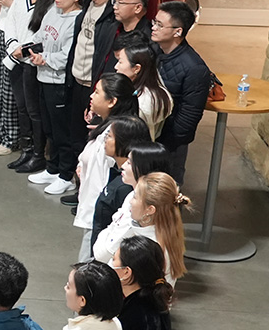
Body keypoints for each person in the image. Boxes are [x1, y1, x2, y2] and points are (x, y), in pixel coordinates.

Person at [25, 0, 86, 196]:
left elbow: (66, 56)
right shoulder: (54, 10)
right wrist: (29, 49)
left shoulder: (76, 20)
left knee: (62, 131)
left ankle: (66, 174)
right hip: (42, 77)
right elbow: (41, 36)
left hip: (59, 82)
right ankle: (52, 168)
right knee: (49, 127)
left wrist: (46, 59)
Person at [1, 0, 57, 171]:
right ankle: (25, 150)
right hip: (15, 55)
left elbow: (44, 33)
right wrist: (13, 46)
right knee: (21, 106)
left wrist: (24, 50)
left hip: (32, 60)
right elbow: (11, 20)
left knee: (34, 110)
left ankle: (37, 154)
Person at [151, 0, 212, 184]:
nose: (153, 28)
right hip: (149, 132)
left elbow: (189, 116)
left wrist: (166, 140)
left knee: (164, 192)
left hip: (170, 143)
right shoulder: (154, 50)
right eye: (154, 22)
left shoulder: (194, 68)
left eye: (160, 25)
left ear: (178, 31)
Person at [76, 111, 149, 260]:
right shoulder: (118, 174)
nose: (105, 141)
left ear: (124, 142)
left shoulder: (128, 187)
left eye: (109, 136)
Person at [93, 172, 189, 283]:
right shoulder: (166, 231)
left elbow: (101, 256)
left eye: (135, 197)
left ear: (150, 210)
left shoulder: (145, 247)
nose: (130, 201)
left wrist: (120, 227)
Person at [90, 141, 172, 263]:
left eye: (129, 162)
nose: (123, 166)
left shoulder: (138, 215)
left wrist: (104, 237)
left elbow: (103, 254)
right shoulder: (131, 196)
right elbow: (110, 228)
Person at [69, 0, 118, 147]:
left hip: (95, 86)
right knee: (74, 132)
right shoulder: (87, 3)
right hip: (76, 80)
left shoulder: (113, 14)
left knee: (92, 138)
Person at [115, 44, 172, 140]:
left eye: (120, 62)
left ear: (136, 68)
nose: (116, 67)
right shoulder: (159, 91)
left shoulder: (142, 102)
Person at [99, 0, 153, 76]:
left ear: (138, 8)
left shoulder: (147, 39)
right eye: (115, 2)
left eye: (121, 3)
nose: (115, 7)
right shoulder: (113, 28)